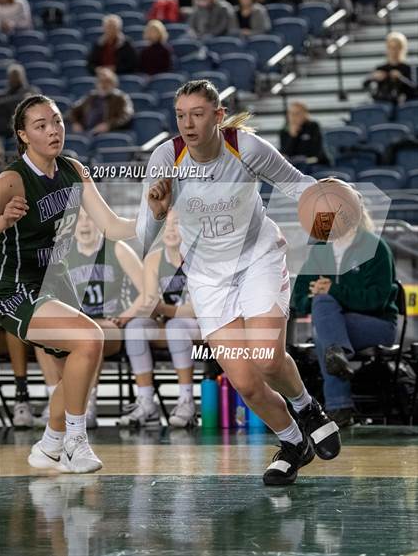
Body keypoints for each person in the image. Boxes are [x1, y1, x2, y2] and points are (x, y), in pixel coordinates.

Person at [136, 79, 342, 486]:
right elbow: (142, 237)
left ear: (217, 116)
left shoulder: (244, 148)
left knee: (267, 359)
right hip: (209, 278)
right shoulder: (164, 156)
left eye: (197, 114)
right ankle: (292, 443)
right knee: (246, 383)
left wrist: (331, 198)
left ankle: (308, 407)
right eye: (180, 115)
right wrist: (158, 212)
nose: (188, 124)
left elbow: (297, 184)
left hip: (257, 259)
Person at [0, 94, 137, 473]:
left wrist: (154, 216)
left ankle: (49, 445)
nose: (53, 130)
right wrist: (1, 223)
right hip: (13, 285)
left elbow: (111, 227)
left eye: (56, 121)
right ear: (23, 136)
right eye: (41, 125)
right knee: (90, 339)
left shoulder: (74, 169)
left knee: (82, 361)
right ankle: (75, 441)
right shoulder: (11, 180)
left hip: (52, 281)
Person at [292, 194, 398, 427]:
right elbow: (298, 295)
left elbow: (377, 301)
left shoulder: (375, 247)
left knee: (325, 329)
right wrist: (314, 294)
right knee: (324, 314)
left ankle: (339, 407)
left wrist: (333, 290)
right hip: (334, 324)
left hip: (377, 324)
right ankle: (336, 355)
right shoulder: (321, 248)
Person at [120, 209, 200, 428]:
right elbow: (149, 300)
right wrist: (144, 309)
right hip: (170, 324)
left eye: (177, 224)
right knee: (136, 327)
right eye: (166, 225)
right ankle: (146, 402)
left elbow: (196, 309)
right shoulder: (154, 258)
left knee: (175, 325)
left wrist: (161, 308)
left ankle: (186, 402)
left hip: (202, 327)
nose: (171, 229)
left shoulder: (199, 257)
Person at [65, 208, 144, 428]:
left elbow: (149, 291)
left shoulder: (117, 248)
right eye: (79, 219)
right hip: (78, 324)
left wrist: (126, 315)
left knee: (91, 334)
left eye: (90, 217)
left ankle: (87, 404)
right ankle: (57, 397)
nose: (85, 224)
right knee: (48, 334)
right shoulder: (63, 254)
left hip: (110, 325)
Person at [69, 67, 134, 135]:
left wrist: (108, 125)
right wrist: (75, 123)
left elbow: (126, 116)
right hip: (86, 132)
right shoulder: (91, 96)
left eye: (107, 82)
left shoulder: (121, 98)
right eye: (100, 81)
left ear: (114, 84)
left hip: (108, 134)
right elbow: (73, 110)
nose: (103, 85)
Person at [364, 32, 416, 106]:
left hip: (403, 103)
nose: (393, 51)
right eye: (390, 47)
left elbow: (414, 90)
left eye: (397, 48)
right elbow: (365, 84)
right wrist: (373, 77)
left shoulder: (407, 67)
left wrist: (400, 78)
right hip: (383, 102)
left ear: (402, 49)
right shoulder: (381, 68)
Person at [280, 101, 329, 169]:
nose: (294, 116)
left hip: (315, 164)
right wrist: (293, 136)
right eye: (291, 113)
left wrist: (301, 158)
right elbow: (285, 153)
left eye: (297, 113)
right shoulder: (284, 130)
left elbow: (315, 151)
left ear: (305, 114)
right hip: (295, 166)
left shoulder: (313, 126)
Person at [0, 64, 39, 138]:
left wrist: (3, 102)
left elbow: (25, 99)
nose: (15, 78)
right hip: (7, 128)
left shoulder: (31, 91)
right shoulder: (5, 94)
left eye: (16, 75)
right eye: (12, 76)